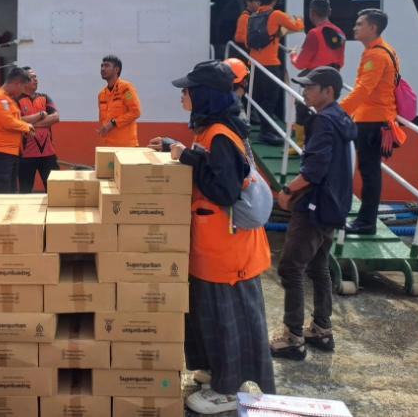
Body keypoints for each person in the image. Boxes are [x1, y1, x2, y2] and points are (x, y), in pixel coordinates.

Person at [149, 60, 274, 414]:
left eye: (187, 90)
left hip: (227, 251)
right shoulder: (212, 130)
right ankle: (217, 372)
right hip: (213, 247)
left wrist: (186, 156)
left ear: (203, 95)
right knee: (208, 314)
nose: (182, 95)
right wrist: (178, 147)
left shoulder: (220, 135)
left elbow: (224, 190)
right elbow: (209, 165)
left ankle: (227, 390)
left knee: (225, 319)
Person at [270, 67, 356, 360]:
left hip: (315, 206)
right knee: (318, 267)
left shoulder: (324, 121)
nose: (304, 92)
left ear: (328, 91)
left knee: (290, 268)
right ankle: (321, 329)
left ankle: (293, 338)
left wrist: (288, 191)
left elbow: (314, 169)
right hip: (335, 205)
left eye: (310, 87)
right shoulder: (342, 117)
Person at [340, 9, 399, 235]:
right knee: (370, 171)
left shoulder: (376, 55)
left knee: (369, 172)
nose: (354, 27)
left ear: (372, 28)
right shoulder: (387, 50)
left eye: (359, 24)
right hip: (379, 119)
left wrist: (337, 110)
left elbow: (364, 89)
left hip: (371, 122)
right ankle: (367, 220)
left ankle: (366, 223)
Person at [247, 0, 304, 146]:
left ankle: (266, 129)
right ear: (274, 0)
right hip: (270, 64)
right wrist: (299, 19)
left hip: (254, 64)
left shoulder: (253, 16)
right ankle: (266, 132)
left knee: (260, 98)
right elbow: (297, 27)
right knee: (271, 99)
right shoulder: (276, 14)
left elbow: (247, 42)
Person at [289, 0, 346, 150]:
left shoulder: (314, 33)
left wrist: (293, 55)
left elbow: (300, 63)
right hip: (333, 78)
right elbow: (341, 60)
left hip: (316, 78)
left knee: (302, 106)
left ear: (312, 13)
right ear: (330, 12)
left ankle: (299, 146)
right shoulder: (340, 33)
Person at [0, 67, 35, 194]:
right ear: (16, 83)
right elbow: (8, 122)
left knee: (10, 193)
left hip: (10, 153)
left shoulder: (8, 99)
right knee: (1, 194)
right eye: (22, 88)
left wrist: (24, 130)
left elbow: (14, 121)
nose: (22, 91)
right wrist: (27, 126)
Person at [16, 67, 60, 193]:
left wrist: (31, 124)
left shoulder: (44, 97)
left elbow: (56, 117)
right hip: (26, 155)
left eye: (36, 77)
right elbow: (17, 121)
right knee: (25, 192)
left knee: (55, 191)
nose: (36, 80)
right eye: (32, 77)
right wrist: (41, 116)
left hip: (48, 154)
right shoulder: (16, 100)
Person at [98, 55, 142, 147]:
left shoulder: (126, 89)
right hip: (106, 146)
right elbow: (102, 121)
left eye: (106, 66)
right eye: (102, 66)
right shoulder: (101, 94)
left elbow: (136, 112)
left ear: (116, 70)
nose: (102, 69)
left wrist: (113, 123)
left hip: (125, 146)